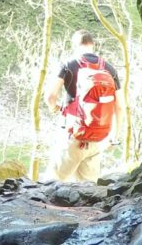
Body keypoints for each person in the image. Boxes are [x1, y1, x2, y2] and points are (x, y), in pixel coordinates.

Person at [45, 30, 123, 183]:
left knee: (51, 183)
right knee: (88, 191)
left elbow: (50, 96)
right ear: (93, 45)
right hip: (98, 138)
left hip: (72, 135)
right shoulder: (109, 68)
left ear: (75, 45)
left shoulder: (69, 65)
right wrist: (114, 136)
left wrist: (54, 108)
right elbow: (119, 107)